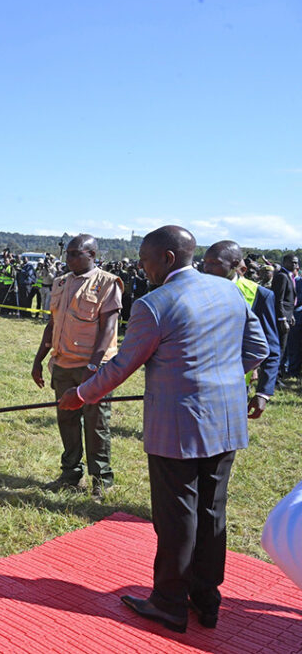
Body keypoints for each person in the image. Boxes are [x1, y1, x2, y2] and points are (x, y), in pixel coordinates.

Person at [58, 225, 267, 633]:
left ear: (168, 258)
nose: (142, 267)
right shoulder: (229, 291)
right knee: (212, 511)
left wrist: (80, 395)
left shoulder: (155, 304)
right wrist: (219, 378)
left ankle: (170, 602)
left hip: (178, 426)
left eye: (145, 259)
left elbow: (122, 366)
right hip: (225, 420)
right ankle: (206, 599)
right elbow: (258, 348)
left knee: (177, 516)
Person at [31, 234, 122, 500]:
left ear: (91, 254)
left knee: (96, 425)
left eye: (75, 254)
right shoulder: (61, 282)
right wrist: (38, 360)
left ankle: (102, 480)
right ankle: (70, 474)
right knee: (67, 421)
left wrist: (92, 368)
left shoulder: (108, 283)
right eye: (67, 254)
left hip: (94, 368)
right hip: (63, 364)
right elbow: (53, 325)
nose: (68, 258)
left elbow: (108, 329)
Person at [200, 240, 279, 417]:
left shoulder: (259, 295)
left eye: (214, 263)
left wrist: (263, 392)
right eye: (205, 262)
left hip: (234, 384)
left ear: (234, 265)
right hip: (195, 379)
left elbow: (271, 346)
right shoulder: (196, 288)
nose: (206, 268)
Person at [271, 254, 297, 378]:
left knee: (283, 347)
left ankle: (277, 374)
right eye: (292, 262)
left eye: (296, 262)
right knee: (280, 348)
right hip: (281, 319)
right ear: (285, 262)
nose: (295, 265)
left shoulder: (288, 276)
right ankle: (274, 377)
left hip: (287, 316)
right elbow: (279, 300)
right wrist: (282, 319)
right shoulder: (282, 276)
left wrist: (291, 315)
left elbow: (289, 300)